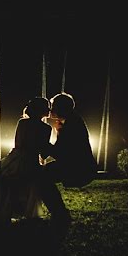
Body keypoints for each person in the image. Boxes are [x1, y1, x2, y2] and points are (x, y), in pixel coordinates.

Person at [0, 97, 52, 224]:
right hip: (31, 159)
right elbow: (43, 150)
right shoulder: (46, 128)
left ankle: (6, 211)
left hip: (16, 157)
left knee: (10, 184)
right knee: (29, 185)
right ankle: (25, 211)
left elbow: (18, 143)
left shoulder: (22, 123)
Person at [38, 92, 97, 225]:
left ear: (61, 108)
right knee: (43, 175)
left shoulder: (71, 125)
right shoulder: (69, 121)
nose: (50, 109)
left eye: (52, 106)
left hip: (79, 168)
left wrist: (43, 145)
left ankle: (60, 213)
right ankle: (59, 212)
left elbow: (61, 152)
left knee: (42, 177)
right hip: (75, 164)